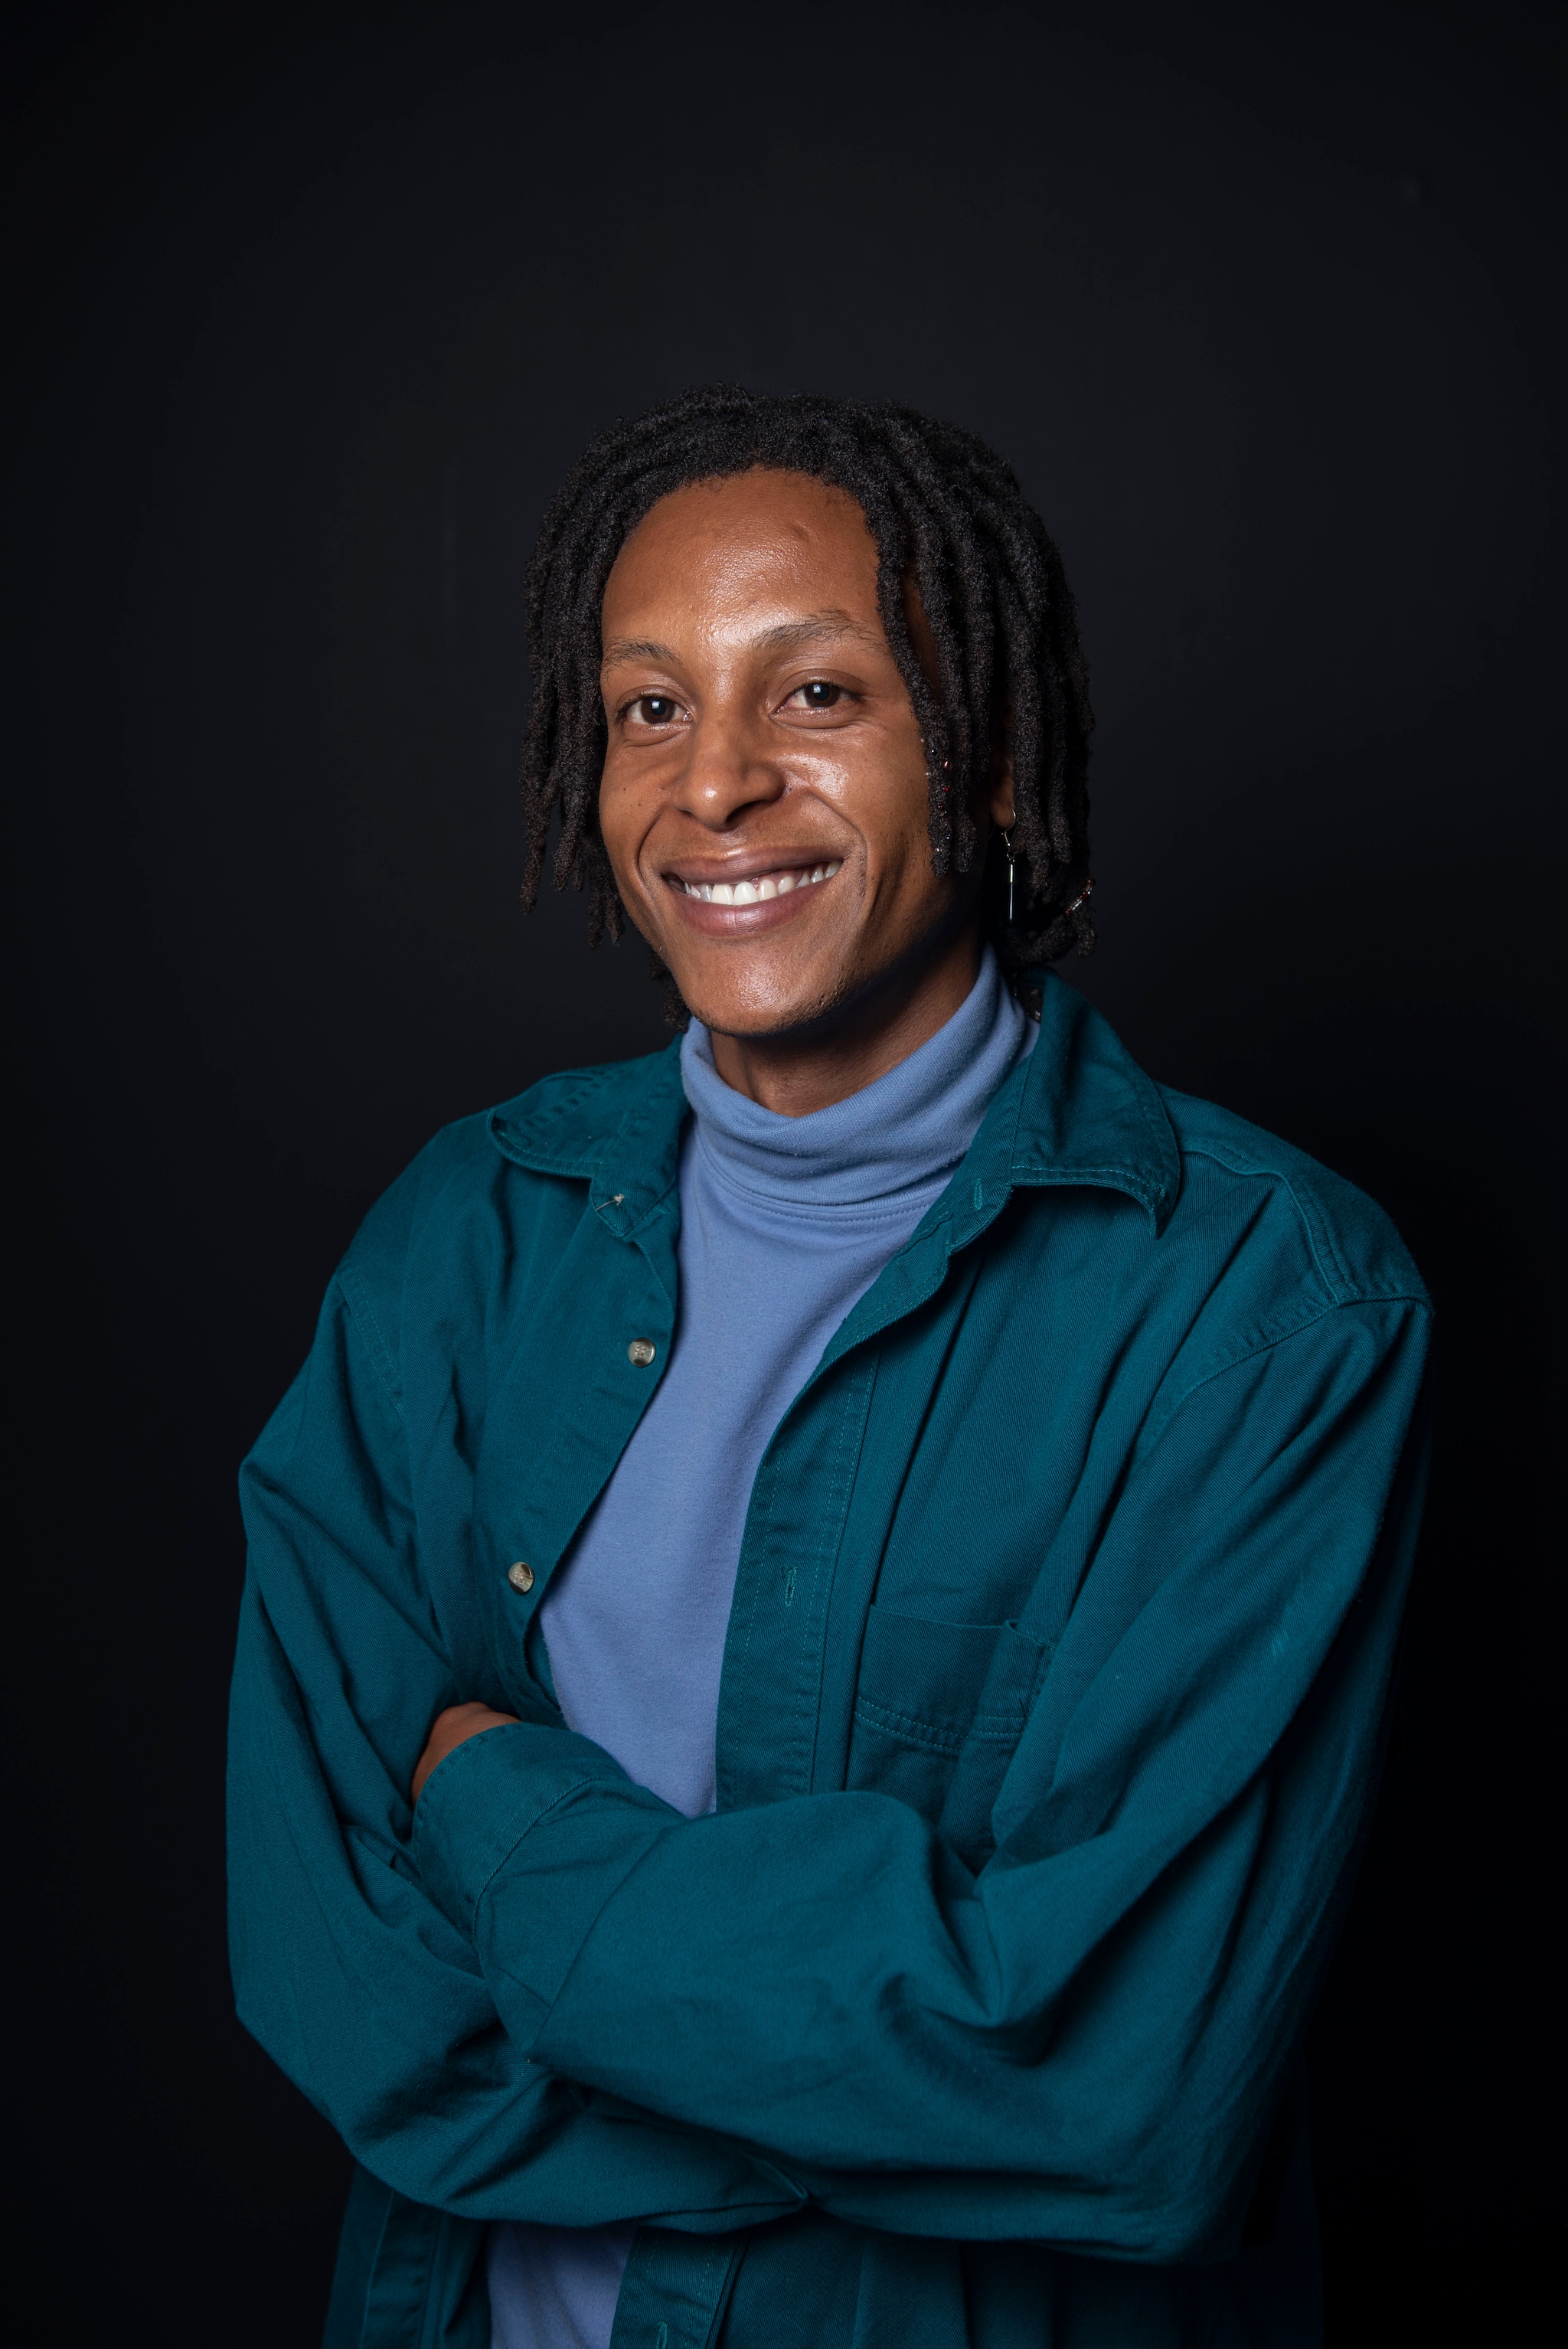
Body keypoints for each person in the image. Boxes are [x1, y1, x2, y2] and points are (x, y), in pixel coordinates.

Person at [227, 387, 1430, 2349]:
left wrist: (495, 1813)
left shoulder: (1268, 1308)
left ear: (998, 757)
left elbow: (1120, 2088)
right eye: (649, 706)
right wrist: (864, 2088)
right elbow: (329, 1961)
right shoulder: (465, 1236)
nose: (713, 782)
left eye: (816, 694)